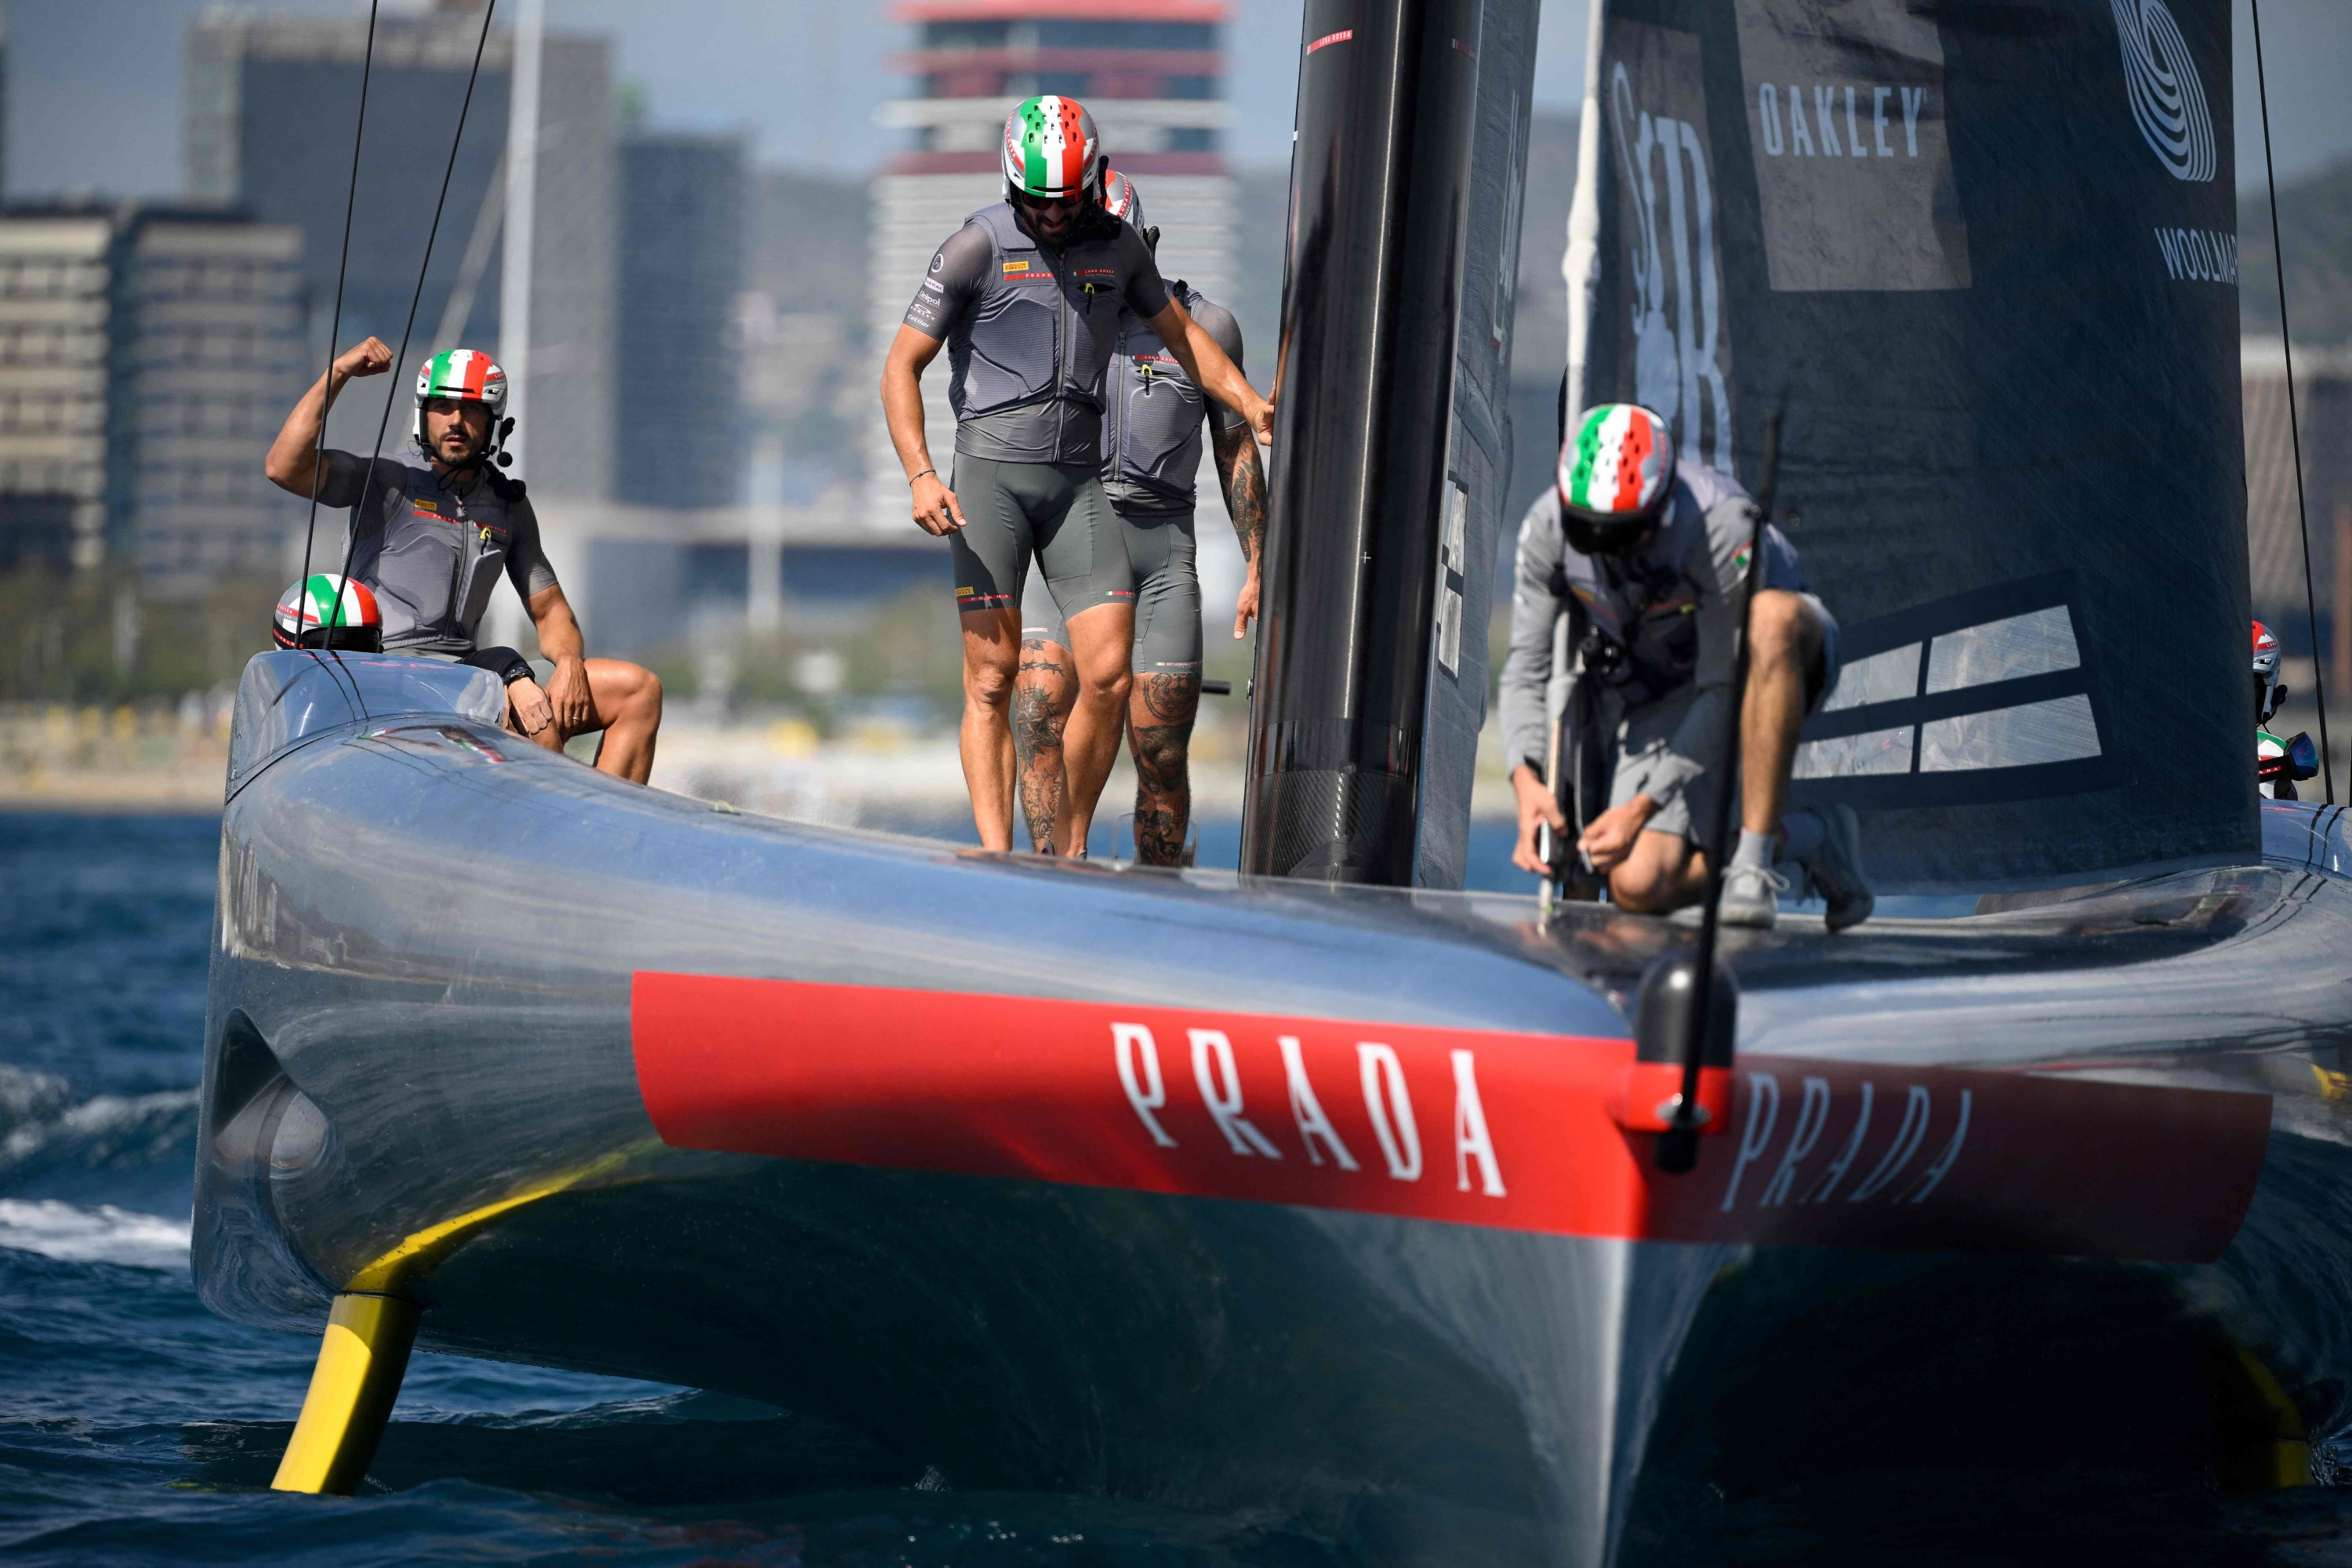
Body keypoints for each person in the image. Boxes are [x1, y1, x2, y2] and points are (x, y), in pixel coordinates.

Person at [880, 96, 1272, 854]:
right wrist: (921, 474)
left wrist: (1250, 403)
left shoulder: (1119, 249)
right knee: (995, 683)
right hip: (990, 478)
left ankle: (1068, 851)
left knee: (1110, 675)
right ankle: (997, 856)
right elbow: (901, 366)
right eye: (1037, 202)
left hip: (1074, 487)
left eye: (1066, 201)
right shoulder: (974, 247)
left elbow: (1187, 340)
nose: (1053, 217)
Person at [1499, 402, 1872, 931]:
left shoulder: (1720, 523)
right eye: (1588, 533)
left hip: (1770, 663)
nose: (1607, 551)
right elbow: (1525, 670)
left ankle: (1754, 860)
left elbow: (1723, 687)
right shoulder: (1547, 528)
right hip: (1669, 690)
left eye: (1624, 534)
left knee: (1771, 617)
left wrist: (1641, 807)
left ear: (1662, 509)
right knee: (1637, 885)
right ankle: (1815, 837)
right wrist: (1525, 778)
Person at [263, 336, 663, 783]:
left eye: (472, 409)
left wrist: (569, 663)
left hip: (468, 679)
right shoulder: (386, 480)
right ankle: (548, 830)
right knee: (539, 727)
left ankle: (600, 828)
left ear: (493, 422)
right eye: (443, 407)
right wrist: (338, 373)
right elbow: (284, 467)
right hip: (388, 676)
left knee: (636, 689)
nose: (456, 420)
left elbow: (550, 611)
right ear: (423, 414)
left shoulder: (506, 505)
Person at [1011, 170, 1266, 863]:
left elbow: (1236, 450)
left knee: (1158, 748)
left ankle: (1161, 886)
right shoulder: (1047, 314)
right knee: (1037, 709)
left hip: (1160, 548)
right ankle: (1050, 871)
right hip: (1069, 539)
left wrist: (1257, 566)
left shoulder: (1207, 328)